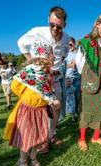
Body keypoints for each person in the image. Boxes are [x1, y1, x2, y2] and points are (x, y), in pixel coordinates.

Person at [17, 6, 70, 144]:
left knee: (56, 106)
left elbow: (63, 55)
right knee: (40, 108)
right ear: (48, 20)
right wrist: (30, 60)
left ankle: (51, 134)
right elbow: (21, 43)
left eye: (59, 27)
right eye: (52, 25)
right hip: (40, 77)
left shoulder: (67, 39)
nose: (54, 29)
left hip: (56, 77)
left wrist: (57, 67)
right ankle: (41, 139)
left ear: (64, 25)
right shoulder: (37, 31)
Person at [3, 37, 55, 166]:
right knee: (26, 138)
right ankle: (22, 162)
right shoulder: (30, 69)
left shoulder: (48, 73)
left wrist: (49, 100)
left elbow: (48, 89)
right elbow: (15, 86)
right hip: (27, 110)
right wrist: (26, 96)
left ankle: (33, 157)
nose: (45, 60)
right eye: (47, 55)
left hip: (41, 111)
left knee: (39, 138)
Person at [76, 14, 101, 151]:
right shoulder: (86, 41)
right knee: (87, 109)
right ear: (97, 24)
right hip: (90, 79)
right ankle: (81, 138)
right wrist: (89, 77)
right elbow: (79, 64)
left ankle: (96, 137)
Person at [65, 37, 81, 120]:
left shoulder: (78, 53)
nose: (69, 46)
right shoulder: (65, 54)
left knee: (77, 96)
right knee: (70, 96)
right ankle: (73, 115)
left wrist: (76, 63)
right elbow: (62, 65)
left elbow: (81, 64)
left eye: (71, 44)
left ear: (74, 44)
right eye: (68, 44)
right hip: (68, 78)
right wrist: (70, 65)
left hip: (77, 78)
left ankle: (76, 111)